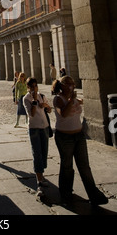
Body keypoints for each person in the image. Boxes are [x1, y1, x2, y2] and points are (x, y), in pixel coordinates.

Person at [52, 76, 108, 206]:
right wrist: (71, 101)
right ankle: (66, 193)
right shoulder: (58, 99)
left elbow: (84, 101)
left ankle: (93, 194)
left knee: (84, 166)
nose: (72, 85)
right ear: (62, 85)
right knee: (67, 166)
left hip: (79, 135)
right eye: (69, 84)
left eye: (73, 83)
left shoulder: (75, 98)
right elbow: (63, 114)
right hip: (64, 138)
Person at [23, 77, 51, 196]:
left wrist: (46, 106)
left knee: (44, 153)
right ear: (28, 87)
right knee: (37, 153)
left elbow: (49, 110)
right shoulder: (26, 98)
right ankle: (39, 179)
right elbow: (32, 114)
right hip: (34, 128)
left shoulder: (42, 96)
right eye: (32, 86)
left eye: (36, 86)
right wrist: (34, 102)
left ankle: (41, 174)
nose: (34, 88)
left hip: (44, 127)